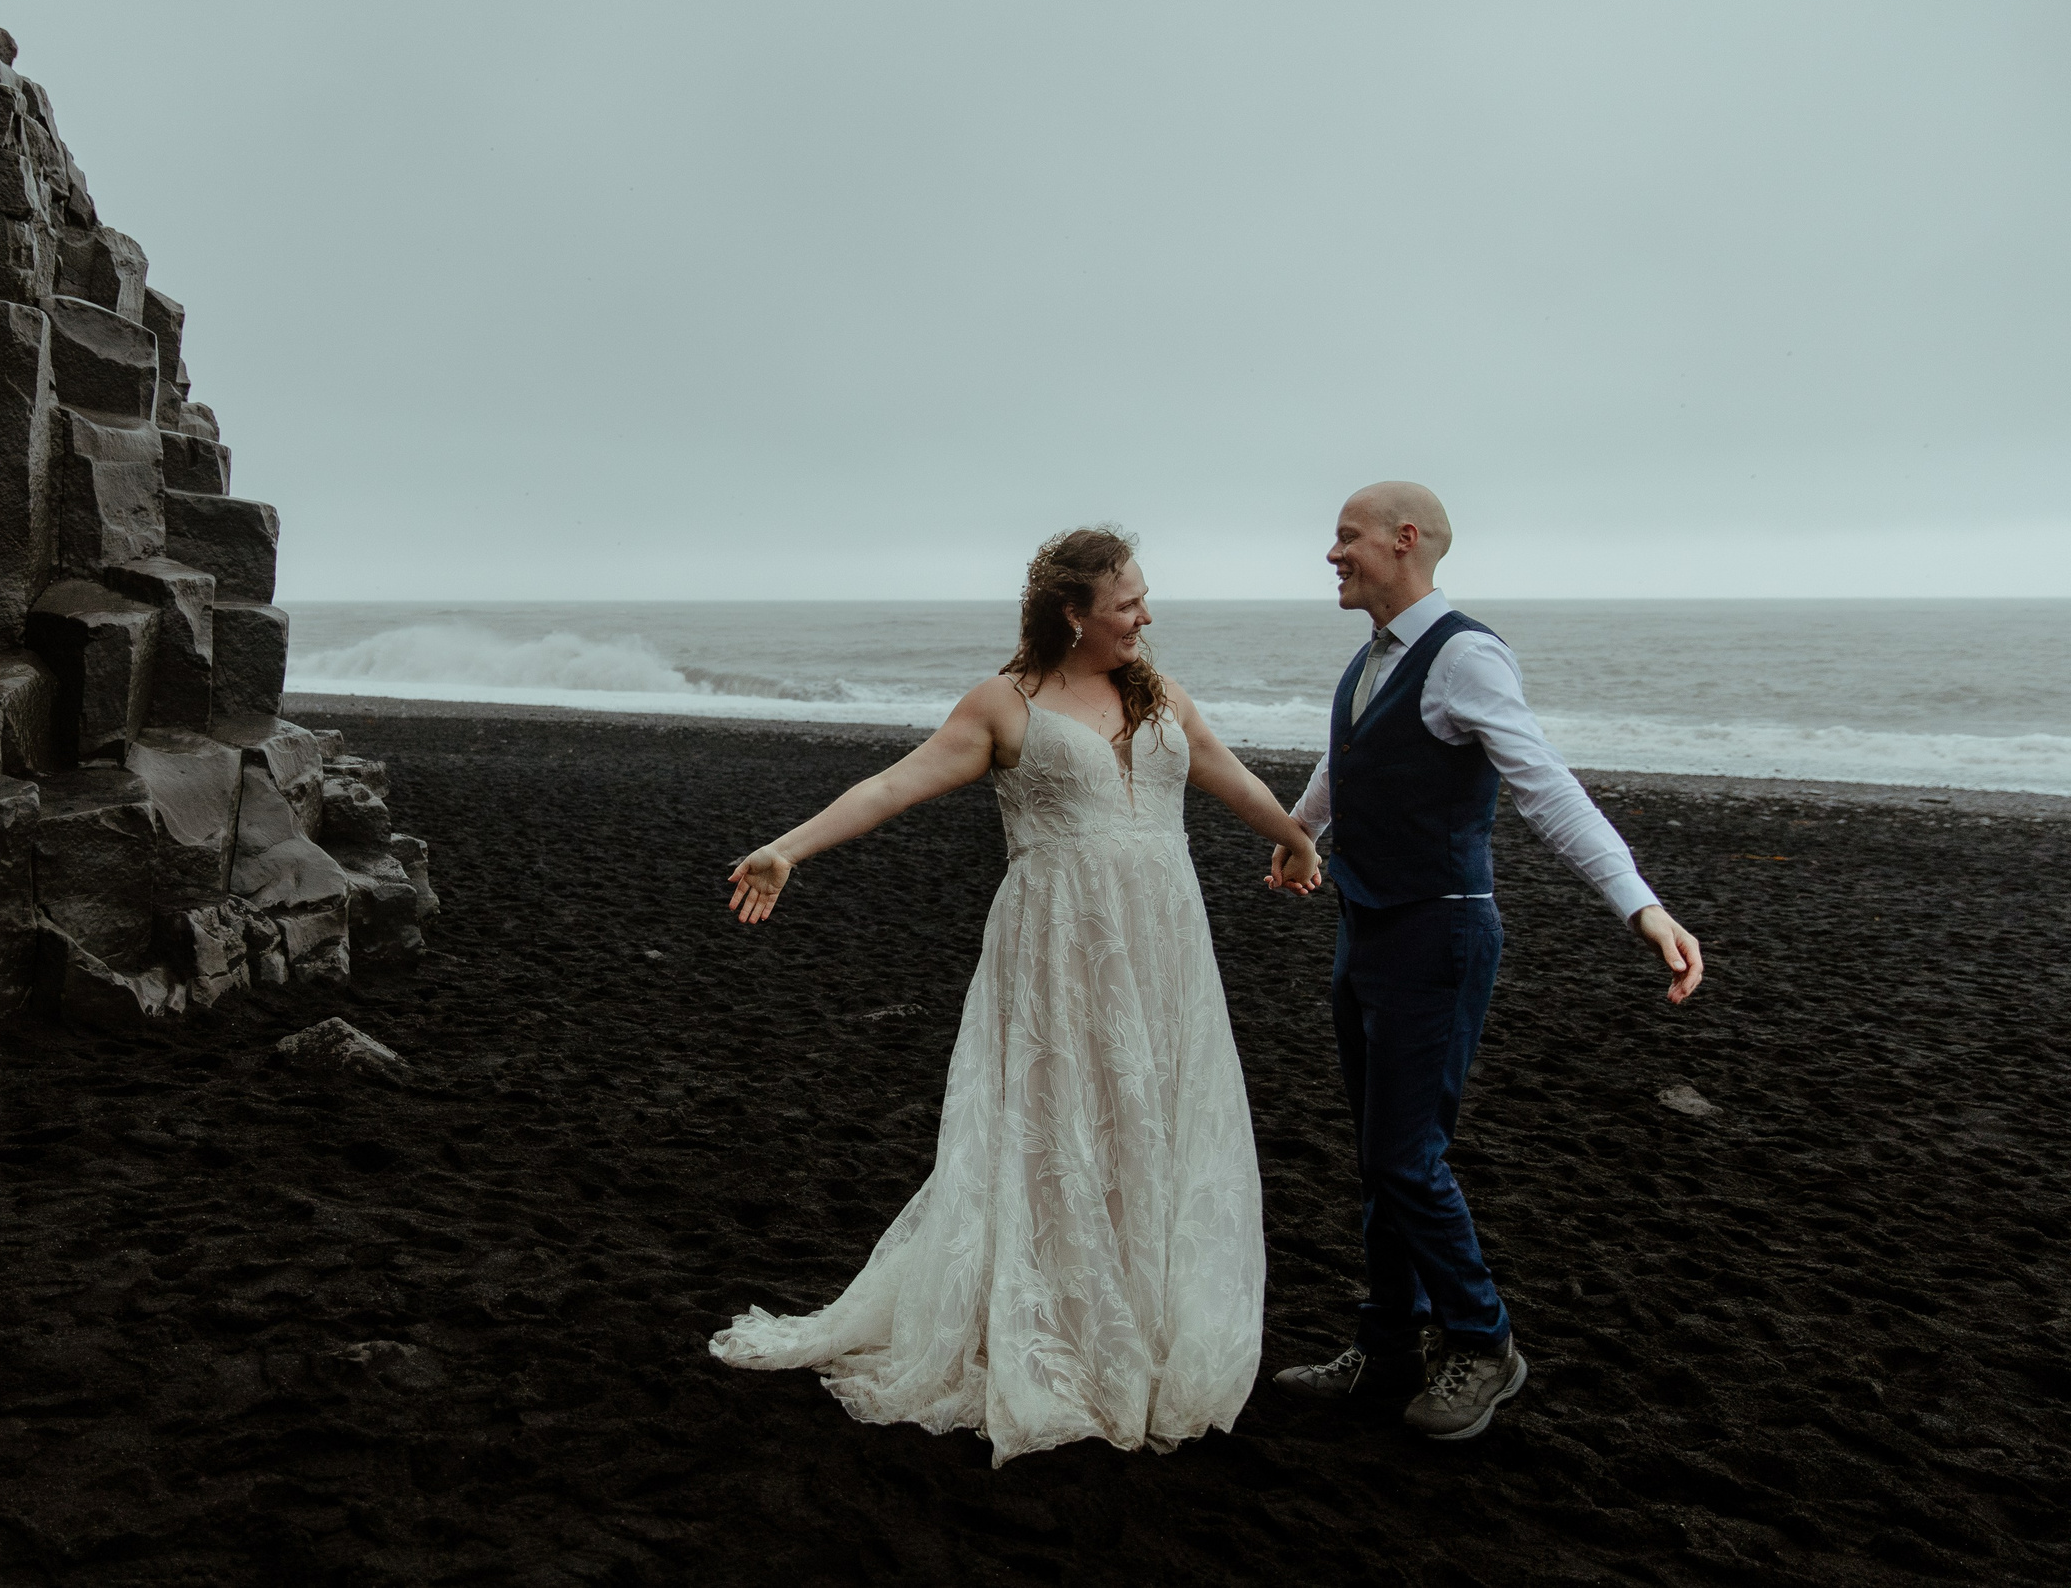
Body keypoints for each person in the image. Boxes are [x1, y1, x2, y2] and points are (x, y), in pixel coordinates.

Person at [707, 527, 1322, 1464]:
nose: (1146, 617)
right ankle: (1057, 1324)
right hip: (1059, 947)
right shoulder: (1007, 704)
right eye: (1127, 605)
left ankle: (1144, 1319)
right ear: (1073, 614)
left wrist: (1294, 834)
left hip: (1163, 946)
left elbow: (1223, 770)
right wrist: (790, 846)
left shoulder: (1154, 692)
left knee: (1150, 1116)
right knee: (1061, 1119)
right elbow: (894, 783)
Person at [1267, 481, 1704, 1442]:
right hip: (1367, 927)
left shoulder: (1465, 655)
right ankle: (1384, 1347)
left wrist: (1640, 905)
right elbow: (1349, 761)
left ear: (1404, 540)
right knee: (1383, 1160)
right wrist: (1302, 829)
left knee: (1406, 1156)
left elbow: (1546, 787)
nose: (1331, 554)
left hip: (1441, 935)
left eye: (1346, 538)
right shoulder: (1371, 660)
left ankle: (1484, 1340)